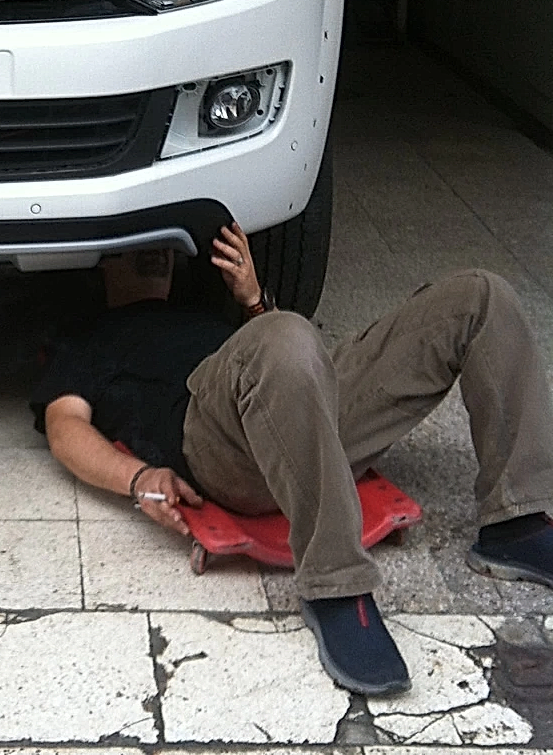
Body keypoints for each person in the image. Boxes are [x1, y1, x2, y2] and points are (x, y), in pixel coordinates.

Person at [30, 227, 553, 696]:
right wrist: (138, 478)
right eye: (134, 243)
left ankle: (518, 521)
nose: (151, 251)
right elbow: (64, 428)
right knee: (285, 333)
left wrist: (255, 301)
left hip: (306, 404)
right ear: (106, 264)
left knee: (478, 296)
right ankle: (336, 584)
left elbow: (297, 366)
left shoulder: (210, 314)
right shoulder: (87, 339)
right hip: (218, 445)